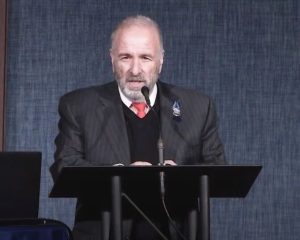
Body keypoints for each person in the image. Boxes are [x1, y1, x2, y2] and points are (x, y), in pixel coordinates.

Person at [50, 15, 225, 240]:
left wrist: (180, 176)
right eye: (125, 57)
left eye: (145, 58)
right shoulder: (78, 105)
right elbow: (65, 167)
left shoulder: (198, 107)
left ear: (161, 60)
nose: (135, 69)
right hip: (105, 233)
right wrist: (122, 173)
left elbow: (217, 168)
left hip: (178, 233)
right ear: (112, 59)